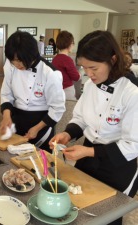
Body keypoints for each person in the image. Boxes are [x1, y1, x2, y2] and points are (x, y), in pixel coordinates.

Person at [49, 30, 138, 225]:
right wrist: (67, 133)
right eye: (83, 67)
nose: (88, 74)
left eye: (93, 68)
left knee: (107, 216)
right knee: (80, 208)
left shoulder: (132, 93)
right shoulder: (90, 85)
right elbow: (80, 118)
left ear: (113, 60)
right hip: (90, 157)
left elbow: (132, 145)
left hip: (118, 165)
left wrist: (88, 151)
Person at [0, 31, 66, 152]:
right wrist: (6, 116)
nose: (16, 64)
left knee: (39, 164)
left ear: (32, 54)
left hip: (41, 124)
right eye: (13, 60)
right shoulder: (10, 65)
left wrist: (37, 128)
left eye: (19, 60)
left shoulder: (50, 73)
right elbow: (6, 94)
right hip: (17, 119)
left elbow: (57, 108)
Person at [52, 30, 81, 101]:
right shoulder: (67, 60)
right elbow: (76, 77)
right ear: (70, 44)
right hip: (67, 91)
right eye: (73, 43)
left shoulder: (55, 59)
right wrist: (81, 73)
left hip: (56, 90)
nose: (73, 45)